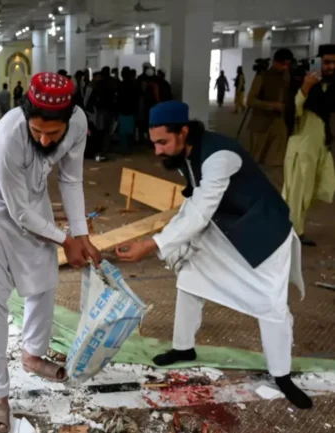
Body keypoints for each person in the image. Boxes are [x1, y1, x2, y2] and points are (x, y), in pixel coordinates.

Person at [116, 100, 311, 410]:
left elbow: (201, 212)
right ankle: (183, 348)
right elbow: (192, 205)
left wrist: (152, 244)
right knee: (191, 276)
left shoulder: (219, 156)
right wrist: (160, 239)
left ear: (183, 132)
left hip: (264, 233)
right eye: (154, 143)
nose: (157, 151)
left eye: (162, 142)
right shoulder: (185, 154)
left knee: (270, 303)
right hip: (228, 227)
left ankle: (282, 374)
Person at [0, 72, 101, 432]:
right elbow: (18, 212)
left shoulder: (78, 125)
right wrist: (65, 239)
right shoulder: (9, 136)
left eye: (52, 135)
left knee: (44, 279)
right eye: (37, 131)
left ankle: (32, 354)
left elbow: (71, 179)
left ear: (69, 120)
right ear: (26, 116)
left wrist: (82, 234)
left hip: (32, 200)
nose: (44, 139)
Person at [282, 44, 335, 247]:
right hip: (302, 145)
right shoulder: (300, 82)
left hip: (322, 145)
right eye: (327, 62)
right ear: (318, 61)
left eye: (334, 63)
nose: (331, 67)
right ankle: (294, 232)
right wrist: (306, 87)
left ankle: (292, 227)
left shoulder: (331, 87)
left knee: (316, 188)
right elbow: (292, 112)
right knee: (297, 192)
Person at [246, 48, 294, 166]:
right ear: (274, 62)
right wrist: (272, 105)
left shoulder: (287, 76)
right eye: (282, 64)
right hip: (261, 124)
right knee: (256, 160)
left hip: (279, 123)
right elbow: (250, 101)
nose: (285, 67)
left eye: (288, 64)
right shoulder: (263, 76)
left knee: (277, 161)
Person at [116, 68, 139, 153]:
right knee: (130, 131)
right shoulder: (133, 85)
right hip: (131, 110)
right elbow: (136, 98)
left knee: (123, 132)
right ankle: (130, 147)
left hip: (123, 110)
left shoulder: (121, 85)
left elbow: (118, 99)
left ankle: (124, 148)